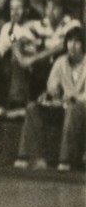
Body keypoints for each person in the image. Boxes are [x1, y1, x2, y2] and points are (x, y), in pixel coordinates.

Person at [15, 28, 86, 171]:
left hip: (81, 109)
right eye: (70, 41)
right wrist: (50, 95)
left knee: (73, 109)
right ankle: (31, 157)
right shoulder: (60, 62)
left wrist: (74, 98)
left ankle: (65, 160)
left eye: (77, 42)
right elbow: (52, 86)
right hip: (63, 106)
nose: (72, 46)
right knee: (32, 108)